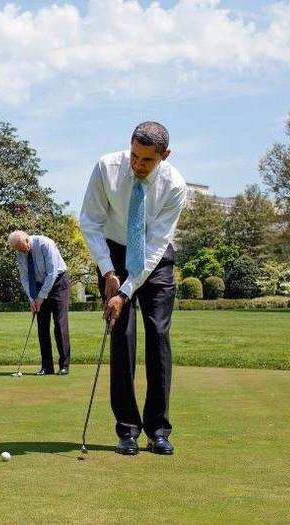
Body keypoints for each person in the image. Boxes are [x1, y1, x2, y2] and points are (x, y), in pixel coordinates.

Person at [79, 122, 186, 456]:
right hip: (113, 251)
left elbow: (154, 247)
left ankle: (158, 430)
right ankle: (127, 430)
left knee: (157, 335)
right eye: (135, 156)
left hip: (155, 259)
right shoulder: (106, 168)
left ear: (164, 156)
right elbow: (90, 222)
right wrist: (108, 270)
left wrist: (125, 291)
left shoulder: (175, 186)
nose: (138, 165)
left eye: (147, 161)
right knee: (121, 337)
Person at [8, 231, 71, 376]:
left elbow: (52, 272)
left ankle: (64, 365)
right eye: (18, 249)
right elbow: (24, 277)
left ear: (27, 240)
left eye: (22, 247)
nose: (21, 251)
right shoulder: (20, 252)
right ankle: (47, 367)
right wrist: (32, 299)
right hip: (37, 285)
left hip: (58, 284)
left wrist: (41, 297)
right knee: (42, 326)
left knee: (60, 324)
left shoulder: (45, 244)